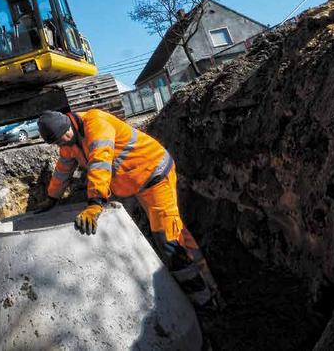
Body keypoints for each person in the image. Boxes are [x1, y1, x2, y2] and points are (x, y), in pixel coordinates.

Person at [35, 109, 222, 310]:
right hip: (140, 181)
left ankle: (206, 302)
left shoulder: (96, 123)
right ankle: (210, 292)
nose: (64, 140)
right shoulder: (68, 143)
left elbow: (100, 160)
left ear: (69, 122)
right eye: (58, 141)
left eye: (65, 134)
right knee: (175, 233)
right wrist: (52, 197)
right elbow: (63, 170)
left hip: (155, 175)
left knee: (169, 240)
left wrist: (95, 203)